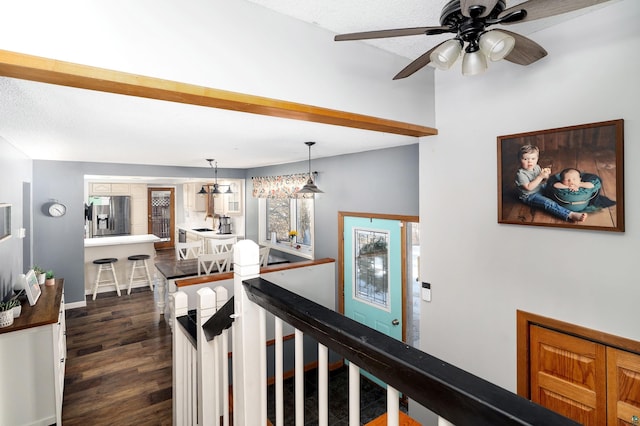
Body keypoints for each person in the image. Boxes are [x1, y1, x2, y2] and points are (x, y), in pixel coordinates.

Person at [514, 145, 587, 222]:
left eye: (533, 158)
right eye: (525, 159)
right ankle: (570, 214)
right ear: (519, 160)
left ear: (537, 159)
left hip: (540, 188)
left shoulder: (536, 167)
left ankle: (569, 192)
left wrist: (545, 175)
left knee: (553, 185)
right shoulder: (521, 174)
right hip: (530, 195)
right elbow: (529, 188)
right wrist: (540, 177)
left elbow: (543, 180)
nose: (530, 161)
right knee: (547, 203)